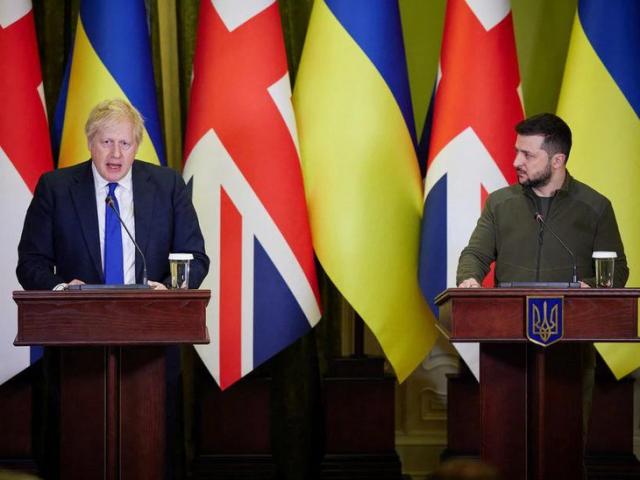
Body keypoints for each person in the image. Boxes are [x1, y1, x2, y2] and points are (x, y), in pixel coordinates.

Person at [17, 98, 209, 290]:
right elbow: (31, 262)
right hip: (78, 308)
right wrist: (63, 290)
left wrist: (168, 291)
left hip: (152, 308)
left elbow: (195, 258)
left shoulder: (168, 186)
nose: (116, 153)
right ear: (90, 142)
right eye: (107, 142)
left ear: (136, 146)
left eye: (125, 143)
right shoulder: (55, 189)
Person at [457, 113, 628, 288]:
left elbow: (617, 270)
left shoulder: (595, 207)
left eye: (527, 155)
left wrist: (587, 287)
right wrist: (469, 278)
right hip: (509, 306)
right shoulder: (498, 203)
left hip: (574, 306)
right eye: (517, 152)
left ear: (557, 161)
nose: (516, 162)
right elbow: (475, 254)